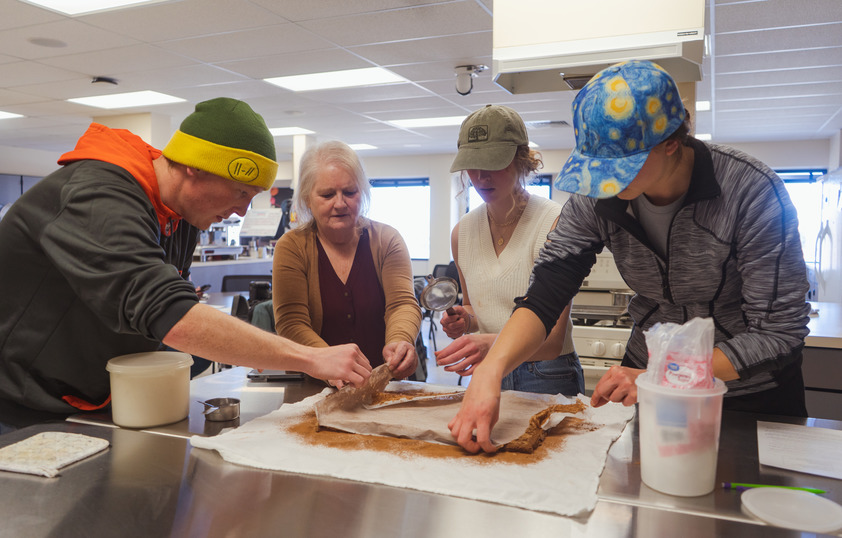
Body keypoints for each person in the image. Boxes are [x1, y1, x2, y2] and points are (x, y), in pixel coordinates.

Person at [449, 60, 811, 453]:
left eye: (619, 167)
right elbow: (546, 294)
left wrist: (660, 375)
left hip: (746, 391)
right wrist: (492, 370)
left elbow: (779, 332)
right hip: (648, 382)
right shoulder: (597, 195)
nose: (604, 182)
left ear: (671, 142)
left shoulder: (750, 192)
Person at [0, 98, 371, 425]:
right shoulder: (97, 196)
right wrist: (308, 358)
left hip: (92, 401)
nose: (241, 210)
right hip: (18, 404)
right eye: (240, 191)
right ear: (195, 167)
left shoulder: (182, 217)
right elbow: (170, 314)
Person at [435, 104, 583, 396]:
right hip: (491, 368)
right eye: (473, 165)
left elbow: (552, 341)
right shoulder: (462, 233)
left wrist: (491, 344)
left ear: (521, 161)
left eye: (493, 163)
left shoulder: (552, 223)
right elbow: (475, 311)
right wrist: (465, 321)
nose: (481, 176)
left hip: (547, 372)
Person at [272, 140, 422, 388]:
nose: (340, 203)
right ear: (308, 199)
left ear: (361, 193)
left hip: (385, 385)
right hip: (316, 387)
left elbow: (402, 303)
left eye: (349, 192)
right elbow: (291, 322)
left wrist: (400, 340)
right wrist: (326, 362)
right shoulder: (292, 247)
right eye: (327, 194)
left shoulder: (387, 240)